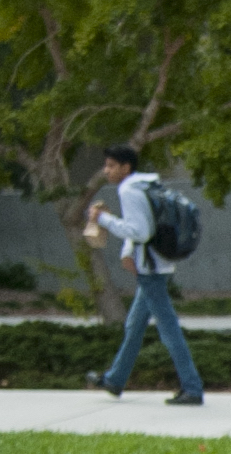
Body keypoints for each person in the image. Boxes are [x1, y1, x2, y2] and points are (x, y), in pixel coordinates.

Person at [86, 147, 206, 405]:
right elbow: (148, 225)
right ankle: (115, 380)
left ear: (125, 168)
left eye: (110, 166)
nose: (106, 171)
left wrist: (105, 220)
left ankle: (192, 388)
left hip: (149, 268)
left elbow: (139, 231)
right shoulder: (147, 184)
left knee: (169, 328)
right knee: (134, 325)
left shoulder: (129, 190)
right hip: (156, 264)